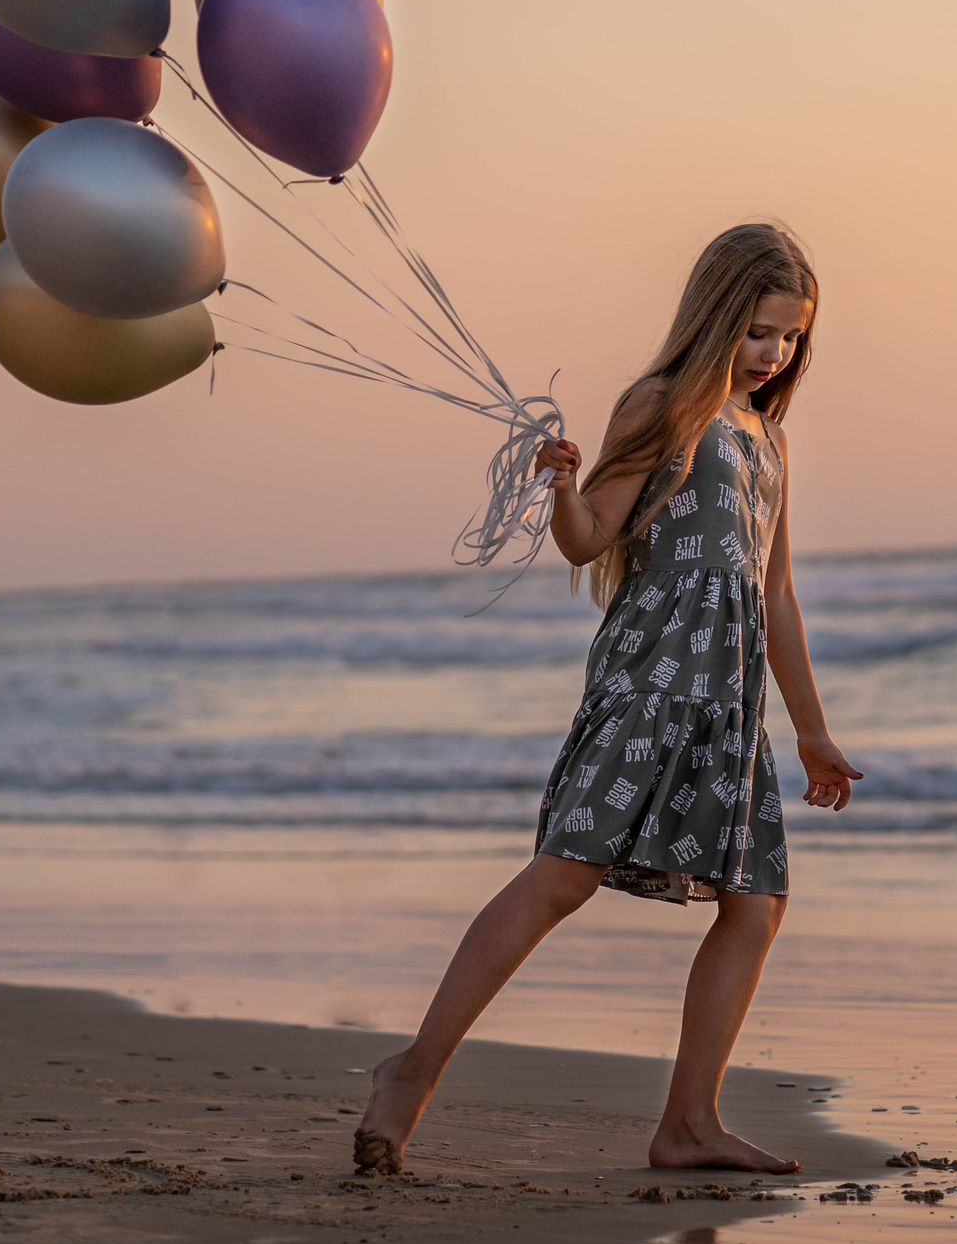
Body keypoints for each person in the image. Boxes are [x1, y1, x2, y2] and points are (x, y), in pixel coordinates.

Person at [353, 222, 862, 1177]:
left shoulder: (770, 440)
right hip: (650, 681)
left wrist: (811, 730)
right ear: (715, 315)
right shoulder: (661, 405)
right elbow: (590, 538)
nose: (774, 353)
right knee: (564, 875)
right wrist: (559, 488)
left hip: (727, 703)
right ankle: (412, 1070)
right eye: (758, 331)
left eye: (792, 336)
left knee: (756, 903)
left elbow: (777, 593)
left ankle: (689, 1123)